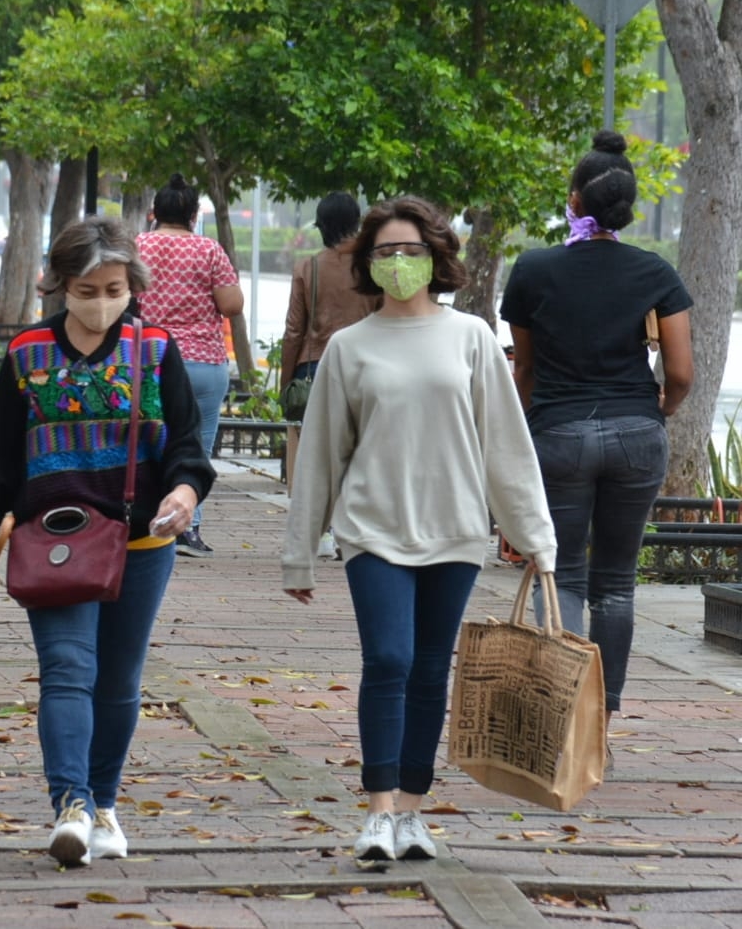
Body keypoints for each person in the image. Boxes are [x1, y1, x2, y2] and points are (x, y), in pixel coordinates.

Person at [281, 195, 557, 862]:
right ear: (367, 263)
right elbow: (320, 452)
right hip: (372, 529)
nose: (399, 263)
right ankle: (377, 811)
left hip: (455, 530)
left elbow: (505, 445)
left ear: (436, 256)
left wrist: (536, 539)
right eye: (385, 252)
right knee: (390, 659)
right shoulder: (349, 347)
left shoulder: (469, 339)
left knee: (432, 671)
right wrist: (300, 555)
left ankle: (411, 811)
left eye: (411, 251)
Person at [0, 216, 215, 868]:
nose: (102, 301)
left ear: (133, 286)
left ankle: (103, 802)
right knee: (68, 670)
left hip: (141, 543)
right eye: (87, 288)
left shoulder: (155, 350)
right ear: (60, 285)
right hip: (54, 541)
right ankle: (69, 804)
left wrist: (184, 495)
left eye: (115, 288)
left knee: (119, 681)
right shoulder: (27, 354)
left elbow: (187, 445)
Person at [500, 130, 693, 750]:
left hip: (559, 433)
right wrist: (653, 412)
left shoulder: (533, 269)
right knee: (615, 583)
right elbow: (682, 373)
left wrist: (523, 439)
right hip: (637, 433)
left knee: (565, 577)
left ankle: (561, 716)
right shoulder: (654, 271)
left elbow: (523, 371)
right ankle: (600, 726)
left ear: (575, 199)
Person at [136, 173, 243, 557]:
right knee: (197, 445)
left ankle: (149, 520)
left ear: (155, 212)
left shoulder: (136, 247)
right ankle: (187, 527)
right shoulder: (210, 251)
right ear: (194, 215)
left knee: (148, 441)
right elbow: (232, 305)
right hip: (202, 361)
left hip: (149, 358)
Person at [279, 192, 376, 516]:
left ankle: (321, 531)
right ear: (357, 223)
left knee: (318, 455)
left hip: (314, 368)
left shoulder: (308, 268)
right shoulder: (373, 267)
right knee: (361, 449)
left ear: (321, 226)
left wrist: (286, 381)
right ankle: (353, 526)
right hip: (365, 367)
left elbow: (294, 331)